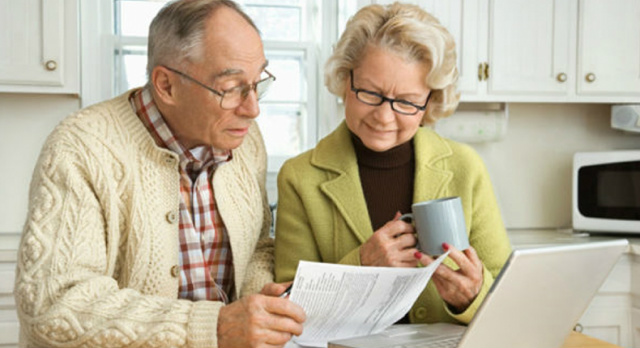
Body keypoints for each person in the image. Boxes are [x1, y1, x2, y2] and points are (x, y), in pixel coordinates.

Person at [14, 1, 305, 347]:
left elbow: (256, 246)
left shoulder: (246, 140)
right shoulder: (80, 148)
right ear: (166, 85)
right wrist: (216, 327)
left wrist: (259, 299)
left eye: (258, 83)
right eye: (230, 89)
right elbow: (54, 307)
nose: (253, 108)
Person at [274, 2, 511, 325]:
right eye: (370, 93)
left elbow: (507, 297)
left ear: (430, 102)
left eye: (406, 102)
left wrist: (471, 297)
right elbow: (288, 306)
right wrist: (361, 266)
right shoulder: (299, 177)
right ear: (345, 79)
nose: (384, 117)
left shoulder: (465, 167)